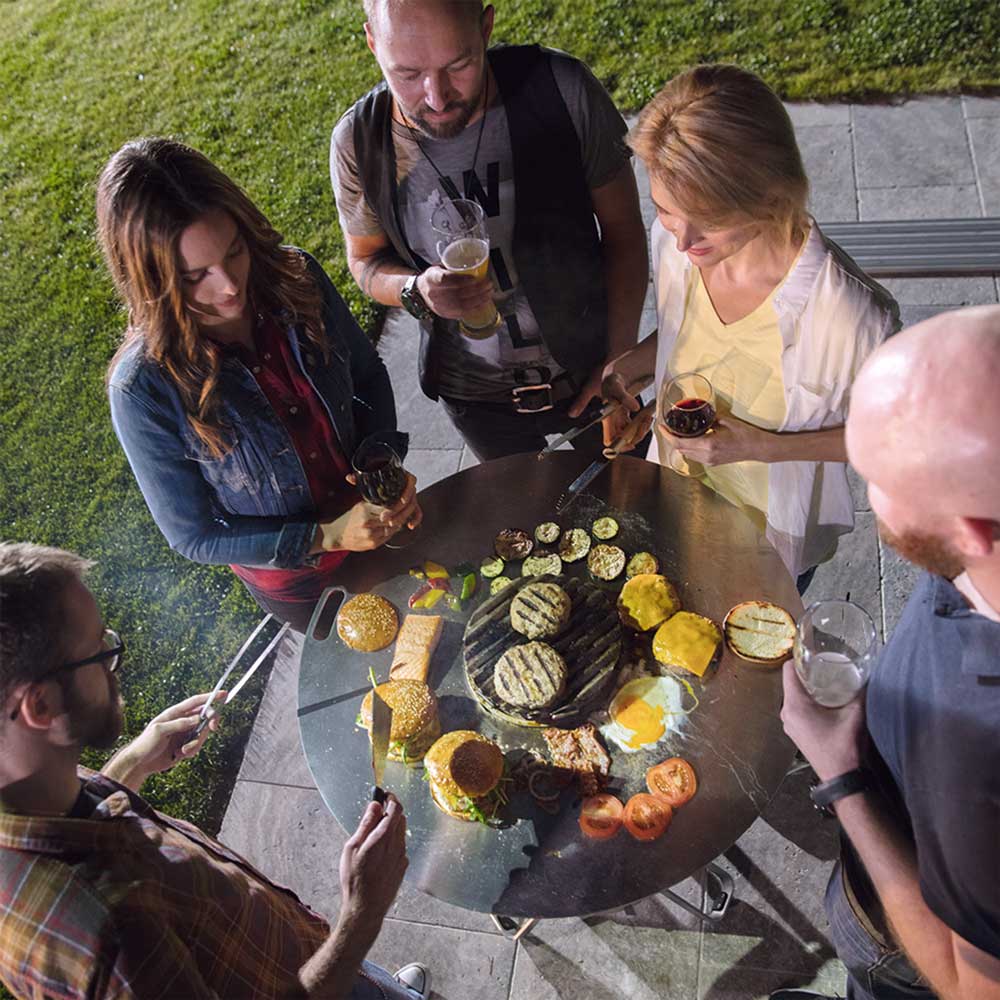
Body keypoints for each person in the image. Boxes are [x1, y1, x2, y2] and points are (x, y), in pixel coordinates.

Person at [0, 541, 429, 1000]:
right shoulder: (114, 942)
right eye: (98, 651)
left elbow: (84, 827)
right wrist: (361, 918)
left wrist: (133, 762)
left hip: (285, 951)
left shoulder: (26, 785)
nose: (114, 663)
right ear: (40, 704)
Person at [102, 138, 421, 634]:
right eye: (195, 276)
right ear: (152, 281)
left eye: (234, 251)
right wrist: (327, 536)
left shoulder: (298, 277)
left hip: (380, 527)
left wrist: (381, 464)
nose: (229, 285)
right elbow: (195, 535)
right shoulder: (142, 389)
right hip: (303, 584)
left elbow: (367, 375)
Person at [775, 306, 1000, 1000]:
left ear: (971, 529)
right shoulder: (974, 562)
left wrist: (842, 776)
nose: (872, 502)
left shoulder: (977, 759)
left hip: (909, 955)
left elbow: (969, 986)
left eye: (883, 482)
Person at [602, 64, 899, 586]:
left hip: (769, 545)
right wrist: (634, 367)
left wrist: (761, 446)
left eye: (708, 217)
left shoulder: (851, 317)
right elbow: (690, 336)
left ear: (767, 194)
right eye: (666, 209)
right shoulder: (676, 249)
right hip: (676, 508)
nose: (682, 240)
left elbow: (893, 439)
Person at [330, 0, 649, 461]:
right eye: (407, 74)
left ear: (486, 26)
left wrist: (619, 362)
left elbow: (623, 232)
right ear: (372, 43)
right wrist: (414, 289)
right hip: (476, 402)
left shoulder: (562, 91)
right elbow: (364, 261)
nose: (436, 97)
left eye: (458, 66)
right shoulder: (359, 143)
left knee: (629, 511)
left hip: (590, 373)